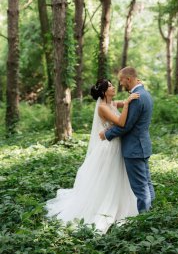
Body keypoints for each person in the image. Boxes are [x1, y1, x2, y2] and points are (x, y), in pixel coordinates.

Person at [45, 79, 139, 234]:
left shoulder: (112, 104)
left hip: (116, 145)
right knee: (109, 178)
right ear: (103, 92)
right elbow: (121, 123)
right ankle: (104, 207)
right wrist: (128, 104)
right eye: (110, 86)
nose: (113, 87)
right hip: (109, 148)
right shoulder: (103, 107)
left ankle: (120, 204)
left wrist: (133, 92)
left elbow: (124, 101)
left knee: (116, 176)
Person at [99, 67, 155, 213]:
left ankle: (145, 218)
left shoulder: (137, 97)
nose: (120, 84)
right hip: (142, 145)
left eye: (121, 80)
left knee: (140, 188)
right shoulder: (145, 94)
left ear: (128, 79)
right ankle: (152, 213)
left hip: (134, 148)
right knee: (147, 183)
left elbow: (126, 126)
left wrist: (107, 134)